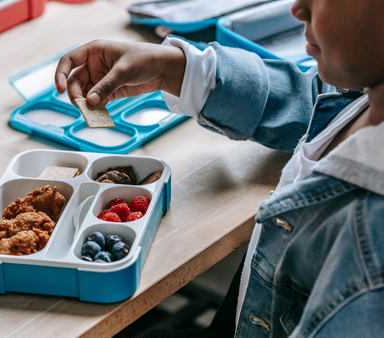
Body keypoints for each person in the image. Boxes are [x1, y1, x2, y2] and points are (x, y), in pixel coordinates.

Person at [55, 0, 384, 337]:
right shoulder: (368, 92)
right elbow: (316, 98)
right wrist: (173, 69)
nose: (297, 8)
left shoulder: (370, 248)